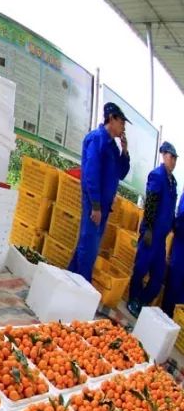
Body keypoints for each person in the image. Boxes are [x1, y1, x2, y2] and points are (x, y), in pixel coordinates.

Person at [69, 102, 131, 281]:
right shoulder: (96, 139)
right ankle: (81, 288)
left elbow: (121, 173)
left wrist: (125, 151)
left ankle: (70, 279)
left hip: (103, 207)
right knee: (88, 248)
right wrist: (95, 205)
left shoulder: (112, 146)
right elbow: (91, 174)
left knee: (88, 245)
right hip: (94, 204)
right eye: (122, 122)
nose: (123, 127)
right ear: (111, 119)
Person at [128, 142, 177, 316]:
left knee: (158, 275)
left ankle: (142, 301)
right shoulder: (157, 176)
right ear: (163, 155)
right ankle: (133, 299)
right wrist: (148, 227)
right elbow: (150, 202)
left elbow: (171, 208)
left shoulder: (173, 182)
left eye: (175, 158)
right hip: (151, 233)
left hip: (161, 237)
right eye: (171, 157)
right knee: (141, 268)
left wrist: (173, 225)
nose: (173, 161)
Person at [161, 191, 184, 319]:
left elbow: (182, 216)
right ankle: (177, 319)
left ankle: (166, 315)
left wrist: (174, 225)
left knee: (175, 280)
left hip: (182, 244)